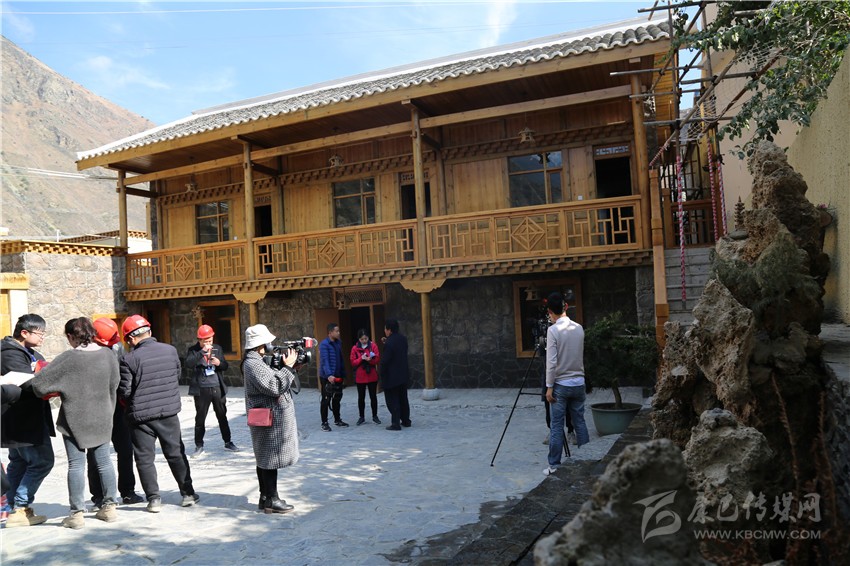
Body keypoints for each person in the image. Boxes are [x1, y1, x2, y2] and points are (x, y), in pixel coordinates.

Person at [30, 317, 121, 529]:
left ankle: (77, 514)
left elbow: (39, 385)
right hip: (103, 417)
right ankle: (110, 508)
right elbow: (114, 383)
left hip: (74, 419)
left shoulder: (68, 358)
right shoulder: (108, 355)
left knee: (76, 465)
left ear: (71, 336)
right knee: (104, 462)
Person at [118, 314, 198, 512]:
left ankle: (154, 499)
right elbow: (177, 375)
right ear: (149, 331)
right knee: (176, 453)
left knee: (145, 458)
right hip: (168, 412)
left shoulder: (129, 359)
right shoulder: (170, 350)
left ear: (130, 338)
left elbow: (125, 391)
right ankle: (187, 494)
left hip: (141, 417)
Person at [1, 314, 55, 528]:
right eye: (39, 333)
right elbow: (30, 385)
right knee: (43, 462)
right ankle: (21, 506)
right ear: (24, 333)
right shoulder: (9, 354)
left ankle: (14, 509)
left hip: (25, 419)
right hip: (21, 421)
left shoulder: (29, 352)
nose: (42, 338)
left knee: (20, 463)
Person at [86, 318, 144, 508]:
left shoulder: (117, 347)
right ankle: (98, 496)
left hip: (118, 408)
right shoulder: (86, 352)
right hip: (95, 410)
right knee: (95, 454)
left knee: (125, 450)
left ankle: (127, 491)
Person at [242, 324, 299, 514]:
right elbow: (274, 386)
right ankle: (272, 499)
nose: (271, 345)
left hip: (266, 415)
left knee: (265, 458)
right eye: (268, 342)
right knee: (269, 459)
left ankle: (265, 497)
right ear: (260, 344)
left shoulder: (258, 361)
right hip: (267, 417)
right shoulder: (253, 364)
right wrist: (288, 367)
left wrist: (286, 366)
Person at [543, 292, 589, 476]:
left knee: (556, 425)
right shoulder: (579, 328)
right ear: (566, 307)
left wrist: (549, 387)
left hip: (561, 385)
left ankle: (554, 465)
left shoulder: (553, 331)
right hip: (579, 382)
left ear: (549, 311)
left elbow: (551, 362)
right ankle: (588, 460)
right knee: (580, 422)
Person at [186, 324, 237, 457]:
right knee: (200, 418)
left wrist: (219, 363)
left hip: (216, 386)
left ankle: (228, 442)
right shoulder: (193, 350)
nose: (209, 343)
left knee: (222, 415)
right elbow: (189, 364)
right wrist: (202, 352)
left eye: (210, 340)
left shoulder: (217, 348)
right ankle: (199, 445)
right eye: (206, 341)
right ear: (200, 340)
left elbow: (225, 366)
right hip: (201, 388)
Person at [380, 319, 411, 431]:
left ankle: (395, 423)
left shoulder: (389, 343)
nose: (385, 331)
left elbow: (385, 360)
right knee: (403, 398)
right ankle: (406, 420)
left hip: (392, 376)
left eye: (385, 329)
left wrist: (381, 372)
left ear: (389, 330)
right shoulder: (403, 339)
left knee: (393, 400)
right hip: (403, 373)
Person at [318, 323, 348, 431]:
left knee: (337, 398)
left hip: (338, 375)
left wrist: (343, 373)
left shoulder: (338, 343)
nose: (338, 333)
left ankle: (337, 419)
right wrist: (329, 375)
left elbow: (340, 359)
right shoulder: (324, 344)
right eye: (336, 331)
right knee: (326, 399)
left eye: (338, 331)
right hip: (327, 376)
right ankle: (324, 422)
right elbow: (325, 361)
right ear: (330, 332)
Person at [349, 329, 381, 426]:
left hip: (371, 374)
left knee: (373, 396)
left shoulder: (373, 346)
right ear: (359, 339)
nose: (364, 341)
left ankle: (375, 416)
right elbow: (353, 362)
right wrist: (361, 359)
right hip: (360, 375)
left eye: (366, 338)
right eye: (362, 339)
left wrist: (370, 360)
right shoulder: (355, 348)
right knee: (361, 397)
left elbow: (377, 359)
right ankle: (361, 416)